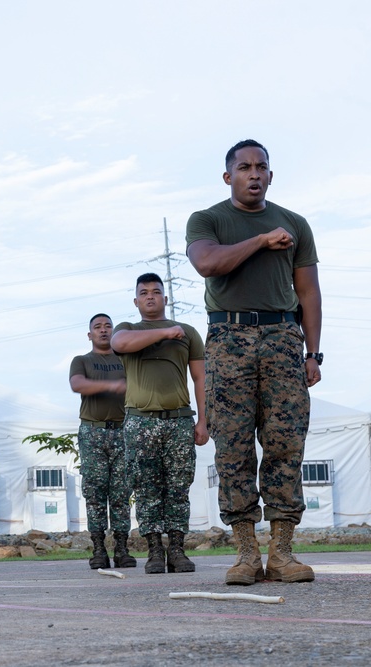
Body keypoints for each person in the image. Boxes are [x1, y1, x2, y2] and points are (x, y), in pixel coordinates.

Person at [186, 139, 322, 585]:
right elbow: (208, 264)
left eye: (261, 166)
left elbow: (308, 292)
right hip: (228, 338)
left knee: (286, 444)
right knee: (234, 447)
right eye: (244, 167)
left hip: (284, 337)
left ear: (270, 174)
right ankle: (246, 554)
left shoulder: (295, 224)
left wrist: (312, 353)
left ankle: (281, 554)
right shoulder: (208, 220)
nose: (254, 174)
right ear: (229, 177)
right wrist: (262, 240)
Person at [111, 274, 208, 575]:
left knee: (179, 488)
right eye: (144, 293)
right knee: (146, 488)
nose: (150, 297)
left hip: (179, 420)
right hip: (141, 421)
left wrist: (204, 420)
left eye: (156, 292)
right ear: (136, 301)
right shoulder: (128, 329)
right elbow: (120, 343)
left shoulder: (188, 333)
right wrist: (165, 334)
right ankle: (154, 550)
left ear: (166, 299)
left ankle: (177, 550)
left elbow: (201, 378)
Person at [69, 314, 135, 569]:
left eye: (108, 326)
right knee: (95, 492)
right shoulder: (82, 361)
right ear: (90, 335)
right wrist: (113, 386)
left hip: (122, 431)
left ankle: (122, 548)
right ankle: (98, 549)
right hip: (93, 431)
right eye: (98, 327)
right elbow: (77, 384)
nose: (104, 330)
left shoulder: (126, 360)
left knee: (121, 492)